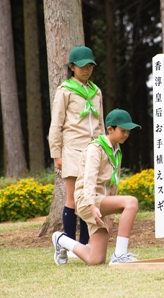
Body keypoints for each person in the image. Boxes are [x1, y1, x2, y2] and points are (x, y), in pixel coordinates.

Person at [52, 109, 141, 266]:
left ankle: (61, 240)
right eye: (122, 130)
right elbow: (89, 180)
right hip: (88, 201)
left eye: (128, 131)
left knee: (96, 259)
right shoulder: (96, 148)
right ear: (110, 129)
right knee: (131, 202)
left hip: (101, 204)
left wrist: (111, 217)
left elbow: (113, 185)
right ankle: (120, 255)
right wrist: (92, 206)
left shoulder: (116, 151)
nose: (126, 134)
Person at [48, 46, 105, 247]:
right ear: (72, 67)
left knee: (88, 199)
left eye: (90, 65)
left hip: (93, 152)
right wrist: (57, 154)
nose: (86, 70)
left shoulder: (96, 91)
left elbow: (100, 125)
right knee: (72, 199)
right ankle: (69, 244)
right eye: (81, 66)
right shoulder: (65, 91)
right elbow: (56, 124)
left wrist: (104, 149)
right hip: (72, 150)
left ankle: (86, 244)